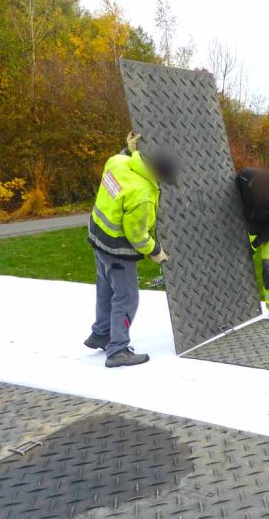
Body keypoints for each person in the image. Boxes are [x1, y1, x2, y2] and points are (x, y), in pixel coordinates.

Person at [84, 132, 177, 367]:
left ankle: (101, 333)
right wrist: (156, 251)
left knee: (105, 290)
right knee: (126, 299)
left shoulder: (118, 161)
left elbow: (122, 160)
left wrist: (128, 149)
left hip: (97, 237)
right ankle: (118, 350)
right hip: (118, 251)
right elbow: (136, 235)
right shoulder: (143, 195)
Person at [237, 168, 269, 320]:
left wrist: (256, 244)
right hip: (249, 225)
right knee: (238, 259)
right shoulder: (245, 178)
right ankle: (238, 303)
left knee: (268, 264)